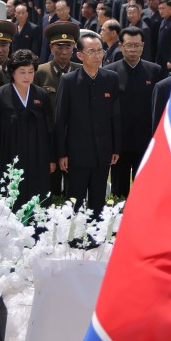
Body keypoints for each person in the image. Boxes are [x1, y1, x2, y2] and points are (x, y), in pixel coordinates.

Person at [54, 31, 121, 214]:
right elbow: (60, 120)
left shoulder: (110, 78)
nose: (97, 55)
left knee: (98, 200)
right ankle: (73, 238)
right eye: (91, 51)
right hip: (76, 153)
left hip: (103, 151)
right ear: (80, 55)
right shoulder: (69, 81)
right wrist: (62, 153)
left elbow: (115, 115)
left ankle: (96, 238)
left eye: (100, 51)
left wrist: (115, 148)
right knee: (75, 200)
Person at [0, 49, 54, 208]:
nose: (27, 76)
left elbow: (50, 129)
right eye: (22, 72)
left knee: (37, 194)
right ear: (12, 73)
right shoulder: (0, 94)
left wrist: (52, 158)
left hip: (37, 154)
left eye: (30, 72)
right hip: (9, 152)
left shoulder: (41, 95)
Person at [104, 26, 164, 198]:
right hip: (120, 141)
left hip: (145, 139)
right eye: (128, 45)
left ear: (143, 46)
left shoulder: (155, 71)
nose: (132, 49)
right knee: (119, 191)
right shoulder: (110, 72)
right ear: (121, 46)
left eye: (136, 45)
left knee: (144, 190)